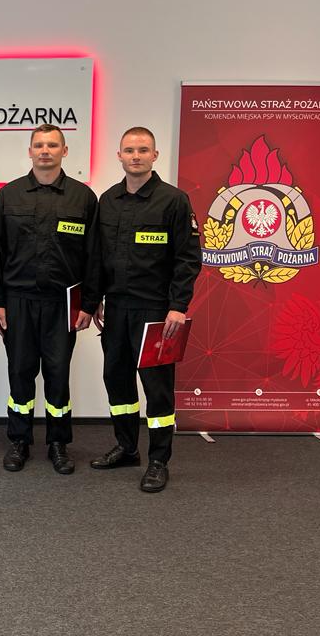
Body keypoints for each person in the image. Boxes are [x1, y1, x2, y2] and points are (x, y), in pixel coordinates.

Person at [87, 127, 202, 493]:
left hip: (156, 312)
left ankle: (158, 460)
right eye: (129, 150)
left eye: (142, 150)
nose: (135, 156)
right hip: (116, 309)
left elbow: (188, 259)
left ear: (155, 155)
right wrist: (95, 299)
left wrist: (178, 306)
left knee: (157, 388)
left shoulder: (174, 201)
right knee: (117, 379)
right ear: (119, 156)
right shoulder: (108, 200)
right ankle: (126, 448)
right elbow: (97, 257)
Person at [0, 124, 98, 474]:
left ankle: (58, 443)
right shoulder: (9, 196)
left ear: (64, 151)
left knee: (58, 374)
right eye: (39, 145)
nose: (45, 151)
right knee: (20, 372)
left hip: (62, 304)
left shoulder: (83, 198)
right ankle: (19, 440)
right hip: (19, 300)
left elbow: (93, 256)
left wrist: (88, 304)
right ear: (30, 151)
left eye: (52, 145)